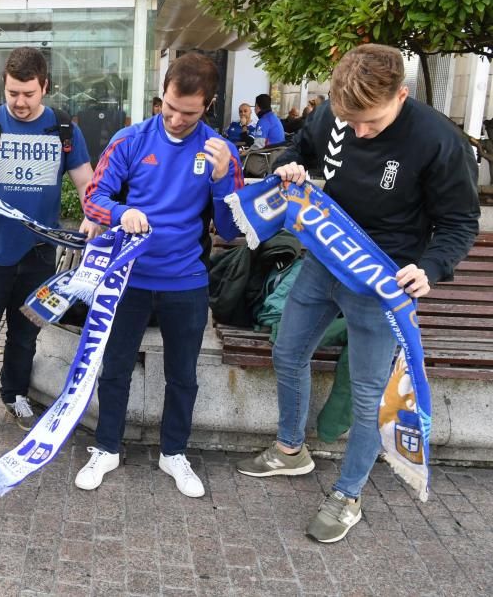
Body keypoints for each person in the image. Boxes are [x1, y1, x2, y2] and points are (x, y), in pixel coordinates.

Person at [236, 44, 480, 543]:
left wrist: (430, 267)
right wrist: (288, 167)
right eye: (352, 121)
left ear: (402, 95)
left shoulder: (438, 141)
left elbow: (460, 222)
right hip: (326, 258)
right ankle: (290, 450)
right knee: (287, 350)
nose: (360, 131)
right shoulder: (336, 112)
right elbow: (300, 149)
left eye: (371, 122)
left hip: (382, 279)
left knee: (369, 394)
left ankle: (348, 494)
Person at [78, 53, 244, 497]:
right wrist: (122, 211)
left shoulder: (218, 151)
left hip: (186, 282)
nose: (175, 118)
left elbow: (231, 229)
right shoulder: (130, 140)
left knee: (183, 374)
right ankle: (106, 447)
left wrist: (225, 178)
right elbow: (93, 198)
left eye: (187, 113)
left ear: (207, 105)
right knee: (114, 367)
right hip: (128, 278)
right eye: (169, 106)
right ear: (163, 92)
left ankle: (175, 453)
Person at [0, 46, 96, 437]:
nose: (19, 102)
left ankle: (15, 393)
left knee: (27, 330)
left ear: (44, 87)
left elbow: (87, 183)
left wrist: (92, 213)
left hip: (38, 254)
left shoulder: (64, 129)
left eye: (28, 94)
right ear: (4, 85)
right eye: (12, 92)